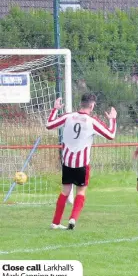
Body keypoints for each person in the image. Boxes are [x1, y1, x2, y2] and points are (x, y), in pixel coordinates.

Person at [45, 94, 117, 230]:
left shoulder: (68, 116)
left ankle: (55, 222)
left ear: (81, 103)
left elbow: (49, 125)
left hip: (67, 162)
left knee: (65, 192)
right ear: (92, 105)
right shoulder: (92, 121)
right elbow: (111, 135)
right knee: (81, 192)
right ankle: (72, 219)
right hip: (82, 164)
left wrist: (55, 109)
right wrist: (112, 120)